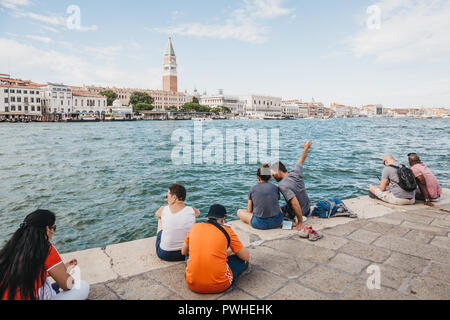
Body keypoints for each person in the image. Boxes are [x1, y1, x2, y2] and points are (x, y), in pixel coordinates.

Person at [0, 210, 90, 300]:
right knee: (82, 286)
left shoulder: (11, 247)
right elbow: (67, 285)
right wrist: (71, 275)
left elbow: (25, 274)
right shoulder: (45, 249)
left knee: (45, 282)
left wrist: (62, 268)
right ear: (47, 228)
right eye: (54, 227)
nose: (53, 231)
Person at [182, 204, 250, 294]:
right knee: (241, 260)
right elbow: (246, 257)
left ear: (207, 218)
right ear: (223, 220)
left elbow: (183, 251)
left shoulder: (195, 226)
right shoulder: (227, 230)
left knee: (189, 256)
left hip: (192, 284)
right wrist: (230, 252)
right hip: (220, 285)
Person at [270, 140, 313, 231]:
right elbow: (301, 160)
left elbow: (294, 202)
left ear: (278, 171)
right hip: (307, 209)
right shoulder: (295, 172)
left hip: (299, 213)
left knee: (274, 211)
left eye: (273, 174)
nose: (273, 177)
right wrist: (306, 148)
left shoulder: (282, 185)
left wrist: (300, 221)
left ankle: (293, 220)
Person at [155, 184, 200, 262]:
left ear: (174, 197)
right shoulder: (192, 210)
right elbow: (198, 213)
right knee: (192, 219)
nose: (166, 199)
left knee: (160, 219)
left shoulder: (163, 209)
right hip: (185, 253)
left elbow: (157, 214)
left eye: (167, 196)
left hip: (165, 254)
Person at [237, 164, 284, 230]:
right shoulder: (275, 187)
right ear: (269, 177)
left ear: (258, 178)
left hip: (260, 224)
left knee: (239, 211)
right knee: (277, 206)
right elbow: (277, 199)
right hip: (277, 222)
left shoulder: (253, 189)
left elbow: (249, 210)